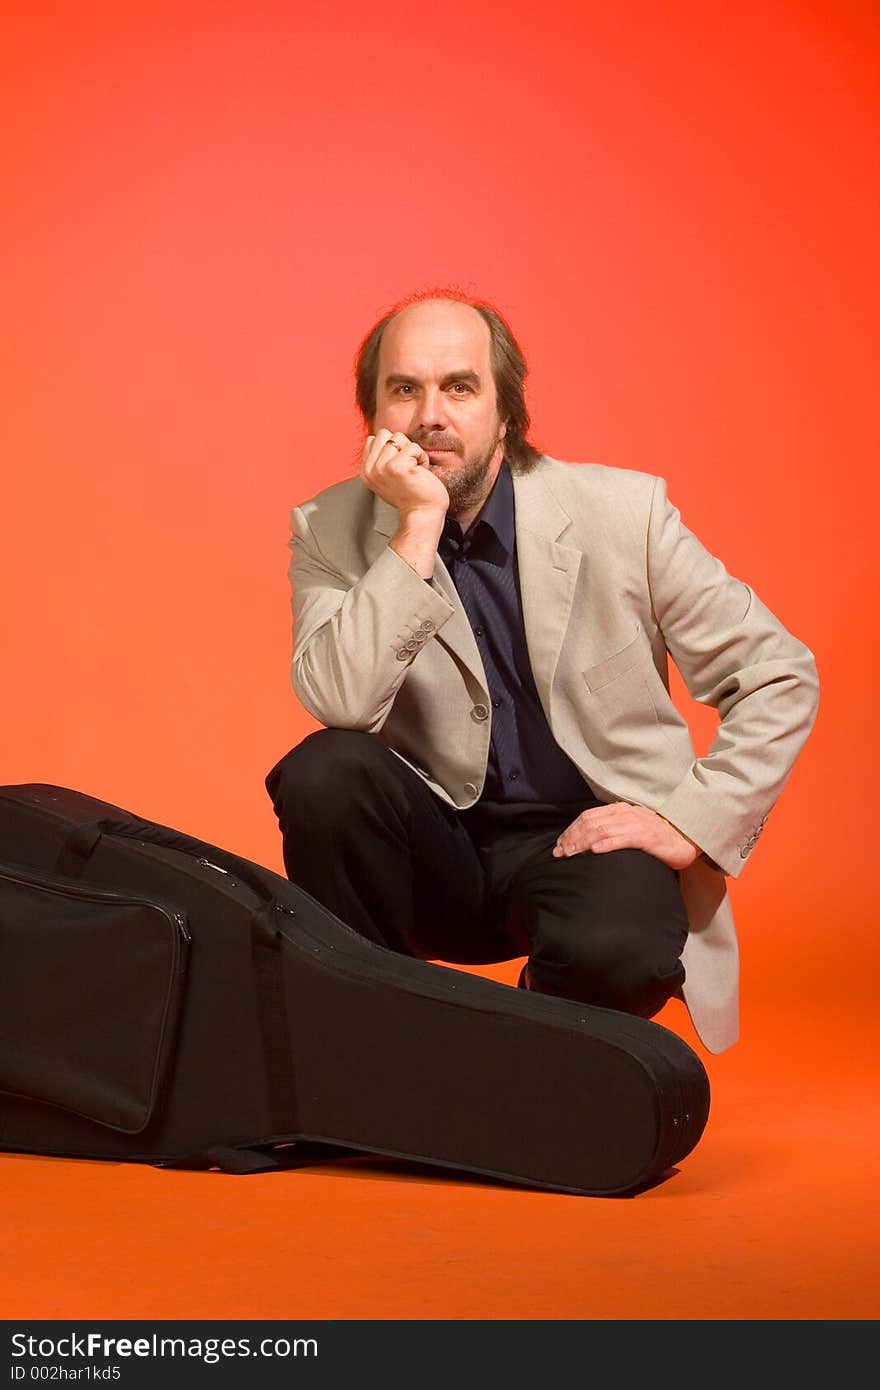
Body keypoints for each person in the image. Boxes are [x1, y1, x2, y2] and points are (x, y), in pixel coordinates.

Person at [265, 289, 819, 1054]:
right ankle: (371, 1044)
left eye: (460, 387)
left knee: (620, 950)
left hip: (585, 842)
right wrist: (415, 527)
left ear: (506, 410)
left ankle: (519, 1051)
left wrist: (688, 820)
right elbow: (338, 700)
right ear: (373, 416)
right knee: (324, 772)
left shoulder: (626, 515)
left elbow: (778, 673)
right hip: (434, 849)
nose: (431, 415)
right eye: (404, 389)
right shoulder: (329, 528)